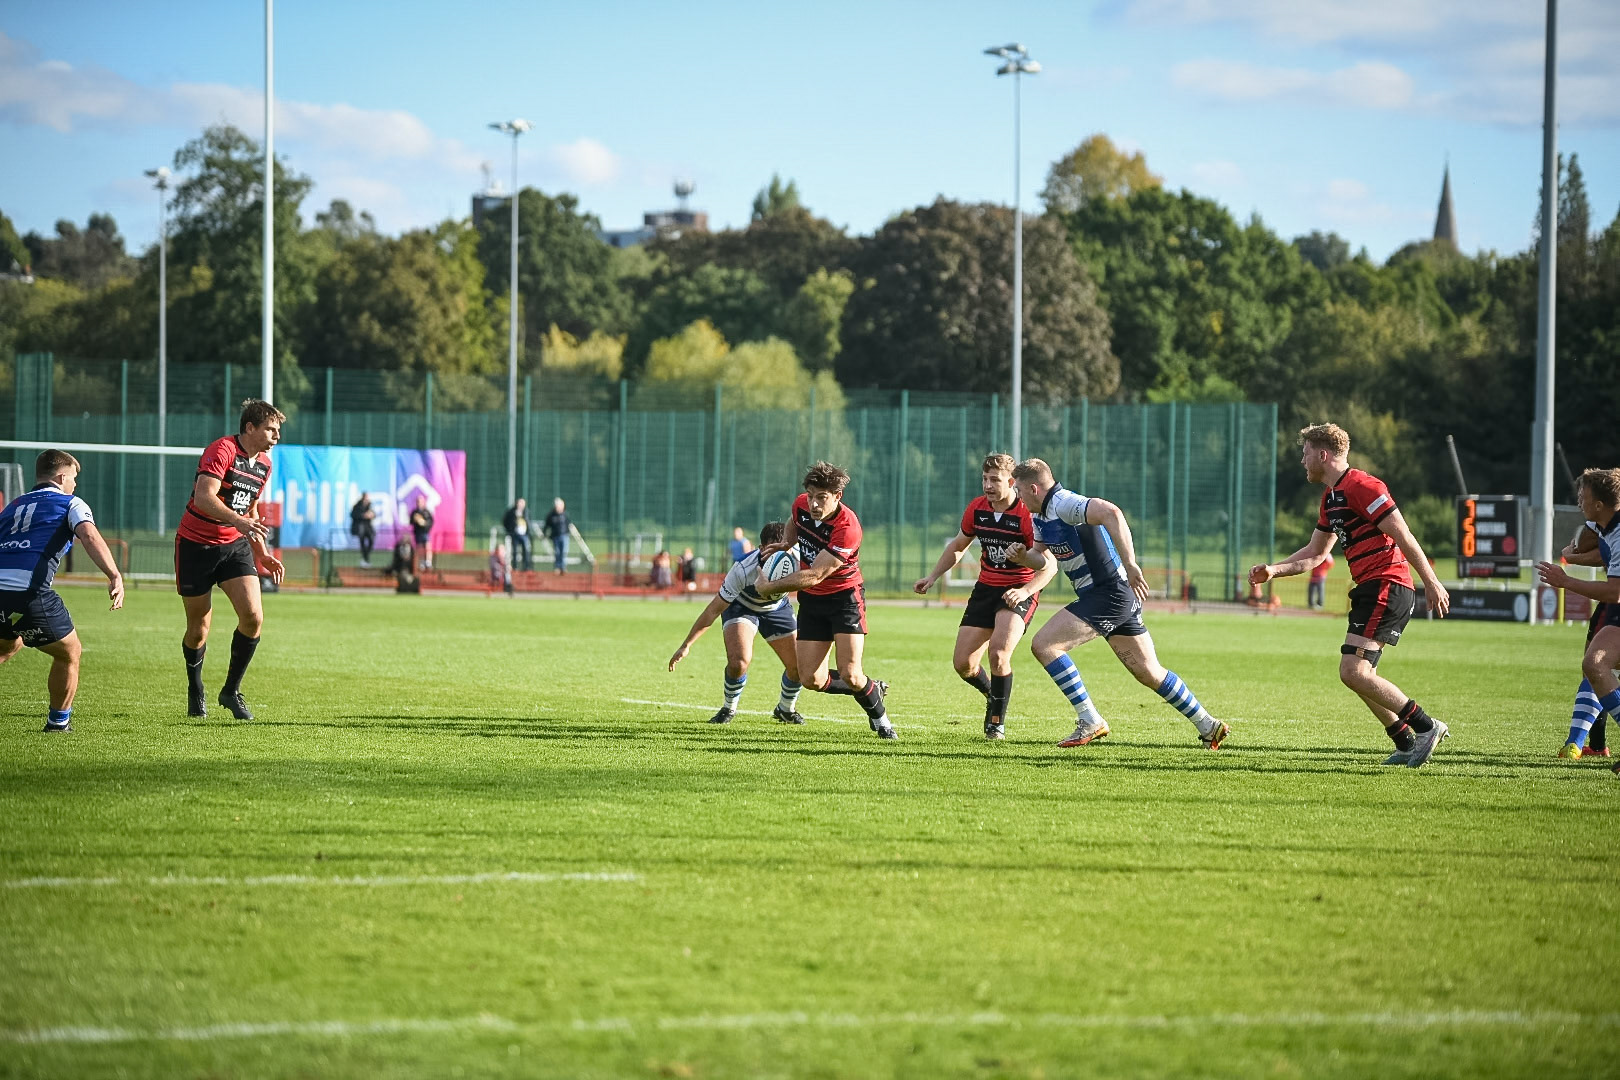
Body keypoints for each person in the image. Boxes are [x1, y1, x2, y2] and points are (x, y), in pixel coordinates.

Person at [1249, 423, 1452, 767]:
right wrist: (1274, 571)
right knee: (1359, 673)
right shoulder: (1331, 498)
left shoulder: (1362, 485)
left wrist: (1431, 580)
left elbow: (1402, 532)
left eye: (1306, 452)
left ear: (1323, 454)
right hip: (1370, 588)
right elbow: (1315, 553)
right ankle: (1404, 741)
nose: (1302, 460)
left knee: (1353, 671)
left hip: (1387, 584)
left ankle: (1426, 727)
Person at [1010, 458, 1229, 751]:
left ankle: (1090, 720)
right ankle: (1208, 726)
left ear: (1034, 488)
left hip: (1109, 592)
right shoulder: (1041, 516)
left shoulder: (1063, 503)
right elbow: (1042, 558)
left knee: (1045, 645)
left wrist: (1131, 564)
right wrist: (1024, 558)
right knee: (1149, 672)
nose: (1019, 499)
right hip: (1108, 596)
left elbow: (1110, 512)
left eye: (1021, 492)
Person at [914, 453, 1053, 740]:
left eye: (995, 480)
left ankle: (995, 724)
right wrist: (933, 576)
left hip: (1017, 590)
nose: (987, 486)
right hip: (985, 589)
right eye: (984, 479)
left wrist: (1025, 585)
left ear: (1012, 482)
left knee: (999, 653)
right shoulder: (977, 509)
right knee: (963, 664)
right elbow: (959, 545)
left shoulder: (1027, 515)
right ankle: (994, 694)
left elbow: (1048, 565)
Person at [756, 461, 895, 740]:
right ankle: (872, 687)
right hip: (813, 603)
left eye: (822, 497)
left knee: (851, 674)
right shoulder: (801, 506)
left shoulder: (848, 528)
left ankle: (881, 720)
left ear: (837, 497)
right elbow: (794, 519)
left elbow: (816, 574)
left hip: (845, 599)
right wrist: (786, 543)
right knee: (811, 679)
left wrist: (769, 587)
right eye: (811, 495)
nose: (814, 504)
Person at [175, 399, 287, 721]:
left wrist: (262, 552)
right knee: (199, 627)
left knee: (253, 616)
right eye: (270, 429)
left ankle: (231, 691)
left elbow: (249, 510)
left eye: (278, 430)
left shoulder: (264, 464)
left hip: (233, 545)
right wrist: (238, 521)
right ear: (250, 427)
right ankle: (196, 688)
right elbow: (203, 497)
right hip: (195, 545)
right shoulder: (222, 450)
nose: (276, 436)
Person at [0, 450, 125, 732]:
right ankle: (58, 723)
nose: (75, 485)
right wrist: (114, 574)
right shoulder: (71, 503)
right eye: (74, 478)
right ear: (62, 477)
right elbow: (89, 535)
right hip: (28, 592)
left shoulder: (13, 506)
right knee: (69, 653)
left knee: (8, 644)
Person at [669, 520, 805, 725]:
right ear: (759, 548)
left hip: (777, 609)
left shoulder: (798, 558)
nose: (778, 554)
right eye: (771, 550)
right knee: (739, 662)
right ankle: (728, 708)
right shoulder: (742, 570)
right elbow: (713, 610)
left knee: (799, 666)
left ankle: (786, 709)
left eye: (782, 548)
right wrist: (686, 645)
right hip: (742, 606)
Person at [1536, 468, 1620, 763]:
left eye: (1583, 497)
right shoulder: (1609, 527)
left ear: (1599, 504)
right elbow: (1602, 553)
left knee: (1596, 666)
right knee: (1595, 665)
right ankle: (1585, 742)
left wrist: (1566, 580)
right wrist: (1573, 558)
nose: (1578, 502)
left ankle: (1580, 740)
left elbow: (1614, 592)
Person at [503, 497, 533, 572]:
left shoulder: (526, 512)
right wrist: (509, 530)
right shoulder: (511, 512)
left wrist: (528, 531)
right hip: (514, 534)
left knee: (526, 550)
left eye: (522, 503)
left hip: (524, 535)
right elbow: (505, 521)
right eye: (519, 503)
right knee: (515, 551)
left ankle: (526, 567)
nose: (521, 505)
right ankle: (515, 566)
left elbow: (529, 522)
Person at [544, 498, 570, 576]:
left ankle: (563, 567)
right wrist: (545, 533)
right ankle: (557, 567)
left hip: (564, 535)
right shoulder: (551, 515)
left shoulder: (565, 514)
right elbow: (547, 525)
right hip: (555, 536)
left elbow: (568, 524)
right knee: (557, 552)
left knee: (564, 552)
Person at [350, 493, 376, 567]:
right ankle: (365, 559)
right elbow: (353, 515)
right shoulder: (357, 506)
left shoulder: (369, 506)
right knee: (362, 543)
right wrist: (363, 515)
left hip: (368, 527)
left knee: (371, 540)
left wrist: (372, 515)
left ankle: (365, 557)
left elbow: (374, 514)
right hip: (360, 527)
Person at [409, 496, 434, 572]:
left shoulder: (426, 512)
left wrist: (424, 523)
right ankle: (422, 562)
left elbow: (430, 522)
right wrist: (415, 520)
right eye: (418, 501)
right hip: (418, 533)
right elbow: (411, 522)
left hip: (425, 532)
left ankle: (428, 562)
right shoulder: (414, 512)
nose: (419, 503)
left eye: (420, 501)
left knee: (427, 546)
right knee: (419, 548)